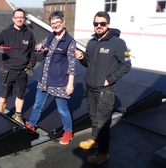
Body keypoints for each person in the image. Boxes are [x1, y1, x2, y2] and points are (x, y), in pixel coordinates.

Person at [75, 11, 132, 164]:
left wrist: (110, 79)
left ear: (108, 24)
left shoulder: (117, 43)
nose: (98, 26)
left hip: (104, 90)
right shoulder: (92, 42)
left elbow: (126, 64)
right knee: (93, 118)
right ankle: (95, 139)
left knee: (103, 122)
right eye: (96, 24)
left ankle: (103, 153)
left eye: (102, 23)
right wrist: (82, 59)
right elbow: (88, 63)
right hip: (91, 88)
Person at [25, 11, 76, 145]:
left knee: (62, 110)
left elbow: (72, 64)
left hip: (59, 82)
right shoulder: (50, 37)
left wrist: (70, 84)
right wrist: (39, 47)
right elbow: (38, 49)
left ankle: (68, 131)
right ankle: (31, 124)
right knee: (37, 105)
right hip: (44, 80)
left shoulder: (69, 42)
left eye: (57, 22)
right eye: (52, 23)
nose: (55, 25)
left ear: (63, 22)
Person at [0, 8, 36, 124]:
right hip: (7, 71)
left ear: (24, 19)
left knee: (20, 96)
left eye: (22, 17)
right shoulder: (5, 33)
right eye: (17, 17)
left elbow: (33, 53)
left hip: (22, 72)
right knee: (4, 96)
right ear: (13, 19)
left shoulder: (29, 34)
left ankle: (18, 116)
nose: (20, 19)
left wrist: (29, 66)